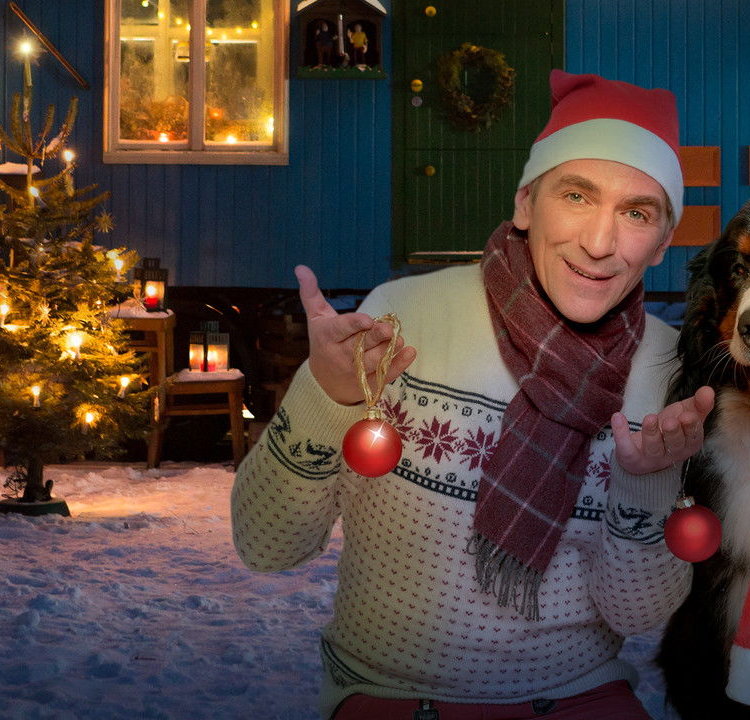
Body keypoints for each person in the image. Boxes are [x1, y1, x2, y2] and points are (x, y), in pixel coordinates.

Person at [232, 70, 715, 720]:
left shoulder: (664, 368)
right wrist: (328, 393)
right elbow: (267, 542)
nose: (601, 244)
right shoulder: (406, 318)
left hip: (576, 698)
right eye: (576, 196)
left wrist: (648, 485)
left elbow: (637, 612)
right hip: (399, 698)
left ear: (662, 242)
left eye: (636, 213)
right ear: (524, 204)